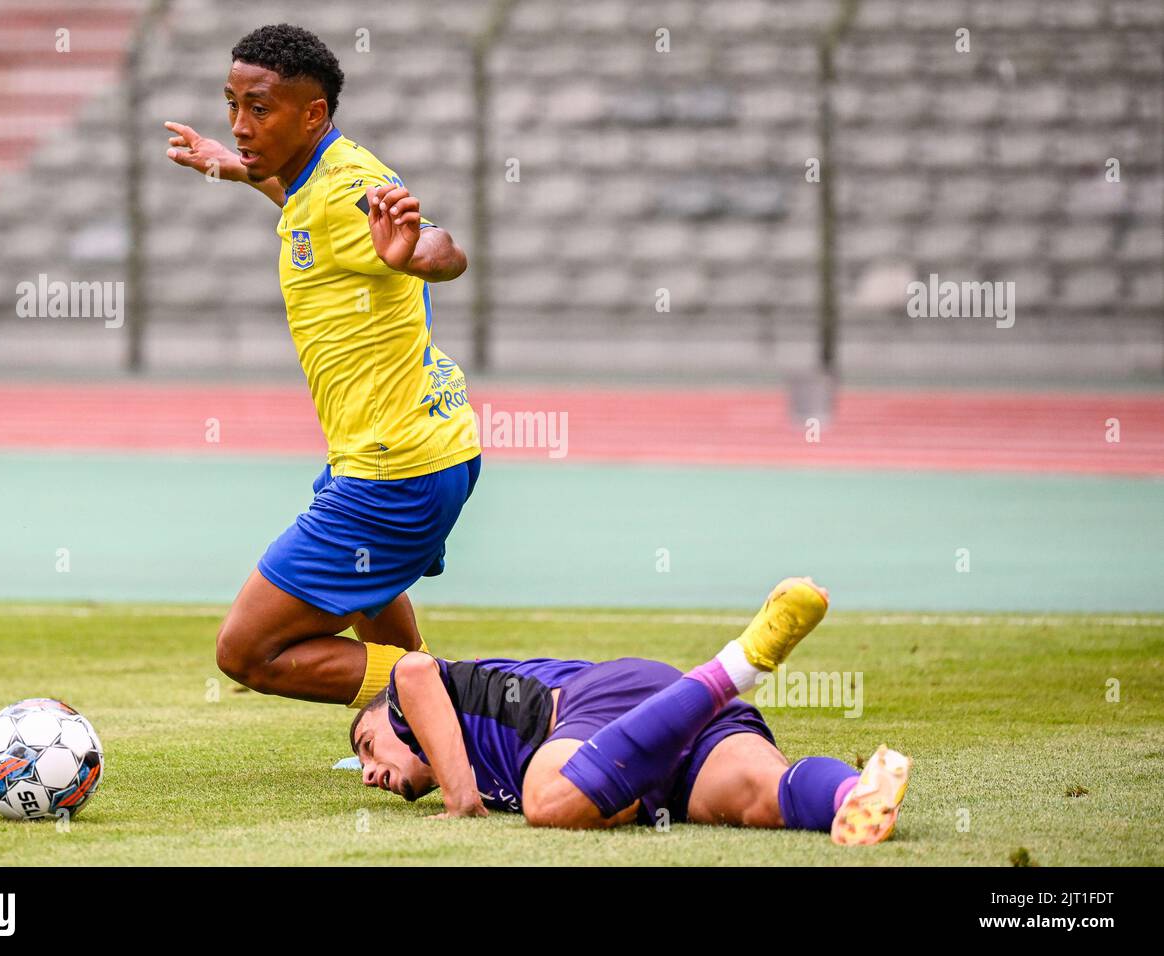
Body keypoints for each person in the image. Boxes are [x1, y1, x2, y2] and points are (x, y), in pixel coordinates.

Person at [165, 24, 481, 709]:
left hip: (393, 470)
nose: (240, 123)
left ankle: (453, 704)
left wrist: (417, 255)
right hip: (420, 451)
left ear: (313, 114)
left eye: (259, 108)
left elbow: (444, 248)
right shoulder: (319, 180)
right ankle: (420, 722)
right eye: (232, 105)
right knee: (369, 590)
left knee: (247, 651)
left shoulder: (351, 189)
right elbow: (295, 201)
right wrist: (227, 163)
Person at [348, 578, 912, 845]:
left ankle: (733, 669)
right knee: (764, 794)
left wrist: (461, 801)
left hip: (601, 703)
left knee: (550, 797)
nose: (371, 772)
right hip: (644, 739)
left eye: (367, 744)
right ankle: (856, 792)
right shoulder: (477, 764)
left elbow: (413, 671)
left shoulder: (411, 699)